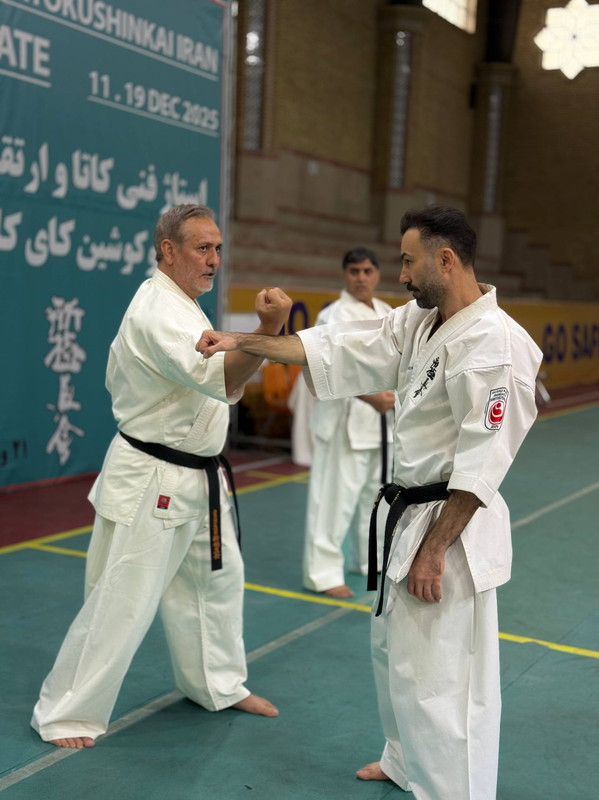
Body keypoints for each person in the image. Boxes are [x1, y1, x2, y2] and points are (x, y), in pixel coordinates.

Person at [196, 206, 543, 800]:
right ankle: (405, 761)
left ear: (446, 260)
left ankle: (453, 791)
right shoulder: (420, 320)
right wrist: (245, 341)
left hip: (449, 528)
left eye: (408, 262)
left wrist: (434, 551)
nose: (399, 276)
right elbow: (342, 345)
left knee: (443, 681)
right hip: (408, 514)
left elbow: (482, 467)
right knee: (395, 657)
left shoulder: (496, 344)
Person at [31, 204, 291, 749]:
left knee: (215, 585)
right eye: (202, 248)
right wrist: (267, 332)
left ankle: (217, 685)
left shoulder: (185, 304)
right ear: (168, 250)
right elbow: (221, 378)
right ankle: (65, 713)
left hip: (200, 477)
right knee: (120, 601)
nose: (214, 260)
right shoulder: (158, 311)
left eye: (218, 249)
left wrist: (255, 338)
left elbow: (221, 374)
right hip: (153, 478)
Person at [300, 248, 395, 598]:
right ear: (345, 275)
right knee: (333, 502)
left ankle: (370, 560)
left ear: (377, 274)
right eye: (354, 271)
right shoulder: (332, 316)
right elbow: (324, 369)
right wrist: (371, 397)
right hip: (343, 422)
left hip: (382, 424)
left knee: (376, 498)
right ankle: (322, 574)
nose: (361, 278)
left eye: (367, 271)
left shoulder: (387, 313)